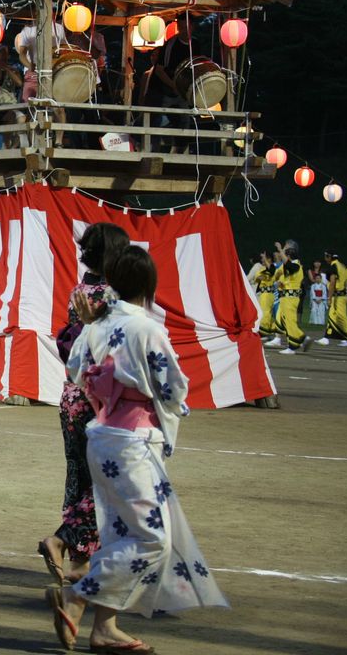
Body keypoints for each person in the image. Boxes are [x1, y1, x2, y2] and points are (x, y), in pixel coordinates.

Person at [48, 245, 227, 653]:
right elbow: (173, 385)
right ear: (149, 286)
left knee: (117, 532)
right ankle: (78, 595)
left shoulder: (96, 324)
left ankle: (105, 627)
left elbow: (75, 369)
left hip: (104, 434)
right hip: (133, 438)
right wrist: (169, 402)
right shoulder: (147, 328)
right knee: (152, 538)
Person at [39, 222, 129, 587]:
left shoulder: (80, 289)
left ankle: (80, 557)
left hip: (71, 394)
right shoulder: (112, 296)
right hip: (98, 397)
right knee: (108, 480)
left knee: (79, 475)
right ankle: (62, 540)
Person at [273, 243, 310, 355]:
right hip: (286, 297)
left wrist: (280, 249)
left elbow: (288, 265)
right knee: (286, 321)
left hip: (290, 298)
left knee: (290, 321)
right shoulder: (292, 267)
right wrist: (280, 283)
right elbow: (287, 278)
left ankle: (293, 346)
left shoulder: (296, 265)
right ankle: (303, 339)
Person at [316, 251, 347, 346]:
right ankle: (327, 337)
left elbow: (332, 283)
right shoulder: (341, 265)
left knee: (341, 316)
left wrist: (329, 298)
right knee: (333, 315)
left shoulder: (333, 267)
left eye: (326, 256)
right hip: (343, 295)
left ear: (329, 257)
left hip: (338, 296)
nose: (325, 258)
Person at [250, 251, 281, 343]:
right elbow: (257, 279)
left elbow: (271, 271)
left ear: (269, 259)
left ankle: (263, 332)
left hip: (268, 293)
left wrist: (263, 277)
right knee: (264, 314)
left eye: (264, 258)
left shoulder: (272, 267)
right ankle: (271, 332)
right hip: (262, 293)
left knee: (265, 313)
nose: (262, 260)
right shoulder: (262, 268)